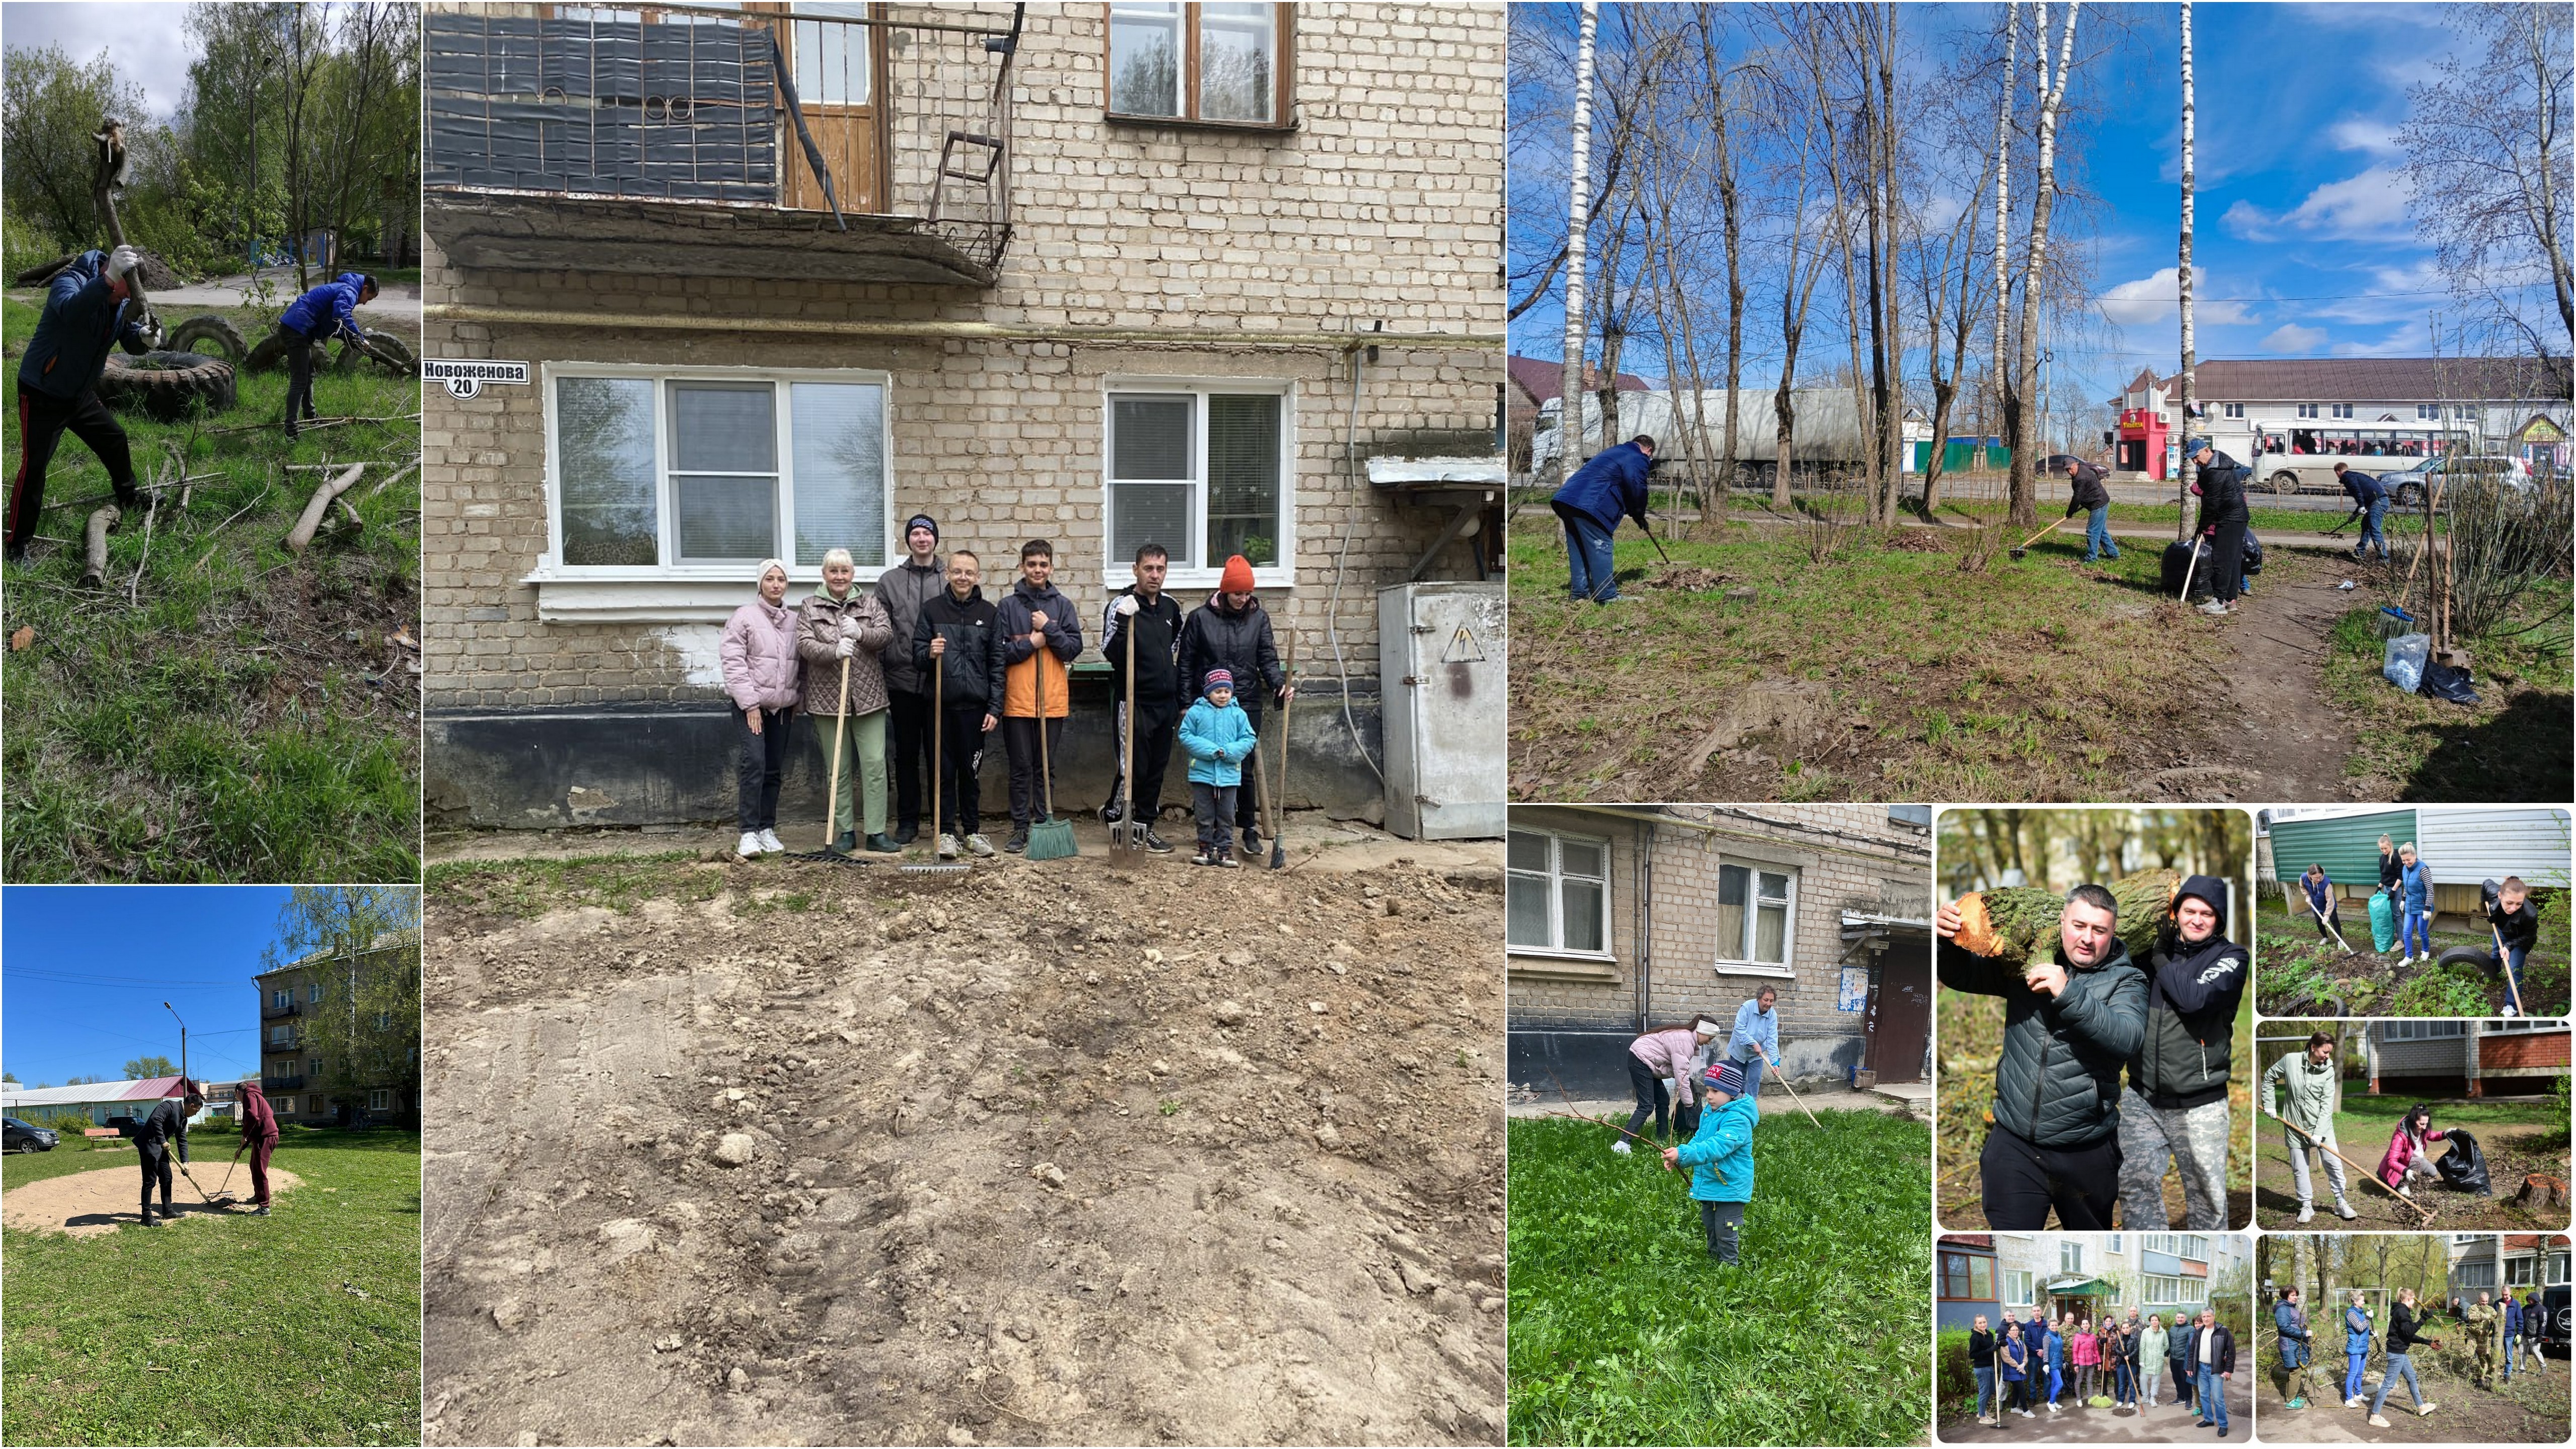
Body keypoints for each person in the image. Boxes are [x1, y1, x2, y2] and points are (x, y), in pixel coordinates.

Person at [1937, 883, 2148, 1229]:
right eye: (2079, 926)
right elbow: (1963, 974)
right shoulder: (2028, 958)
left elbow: (2127, 1039)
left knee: (2089, 1247)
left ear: (2113, 933)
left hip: (2086, 1149)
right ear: (2062, 920)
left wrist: (2068, 992)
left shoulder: (2127, 980)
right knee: (2010, 1248)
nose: (2087, 938)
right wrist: (1947, 941)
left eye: (2099, 930)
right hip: (2014, 1145)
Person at [6, 245, 158, 562]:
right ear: (112, 274)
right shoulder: (71, 280)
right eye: (124, 291)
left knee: (114, 438)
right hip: (43, 391)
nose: (126, 299)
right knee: (34, 468)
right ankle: (17, 545)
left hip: (79, 393)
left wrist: (145, 338)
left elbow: (125, 334)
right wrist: (107, 282)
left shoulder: (118, 298)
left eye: (132, 295)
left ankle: (128, 497)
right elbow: (73, 311)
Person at [2119, 874, 2246, 1232]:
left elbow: (2193, 1000)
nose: (2197, 919)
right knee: (2135, 1186)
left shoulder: (2232, 957)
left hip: (2200, 1103)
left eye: (2207, 913)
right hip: (2142, 1099)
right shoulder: (2146, 953)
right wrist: (2156, 952)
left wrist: (2160, 958)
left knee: (2207, 1198)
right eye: (2189, 910)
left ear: (2218, 920)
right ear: (2175, 913)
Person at [1176, 556, 1291, 852]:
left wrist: (1280, 684)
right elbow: (1186, 663)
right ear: (1225, 591)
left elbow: (1267, 657)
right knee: (1208, 764)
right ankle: (1211, 829)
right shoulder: (1200, 618)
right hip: (1207, 703)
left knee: (1243, 766)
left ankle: (1248, 829)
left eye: (1248, 593)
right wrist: (1186, 703)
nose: (1243, 599)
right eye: (1238, 593)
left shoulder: (1259, 618)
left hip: (1245, 702)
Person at [796, 548, 898, 856]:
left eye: (844, 571)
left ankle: (877, 832)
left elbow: (886, 635)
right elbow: (804, 644)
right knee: (837, 768)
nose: (839, 577)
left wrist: (861, 632)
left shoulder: (870, 603)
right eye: (833, 571)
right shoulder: (809, 607)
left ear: (853, 575)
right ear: (824, 575)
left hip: (869, 698)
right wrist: (833, 651)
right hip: (827, 700)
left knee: (874, 764)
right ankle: (845, 831)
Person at [912, 548, 1004, 860]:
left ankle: (973, 831)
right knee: (943, 771)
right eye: (957, 571)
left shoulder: (990, 614)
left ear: (977, 577)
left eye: (969, 572)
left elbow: (997, 664)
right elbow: (917, 656)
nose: (963, 577)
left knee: (971, 772)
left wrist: (995, 707)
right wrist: (930, 652)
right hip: (939, 707)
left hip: (975, 710)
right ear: (948, 574)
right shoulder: (932, 610)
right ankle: (946, 833)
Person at [995, 539, 1082, 853]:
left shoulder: (1062, 605)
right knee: (1020, 767)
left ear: (1051, 568)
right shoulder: (1007, 607)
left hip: (1052, 700)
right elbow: (999, 653)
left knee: (1046, 767)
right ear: (1022, 567)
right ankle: (1020, 827)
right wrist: (1031, 643)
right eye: (1032, 564)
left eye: (1043, 564)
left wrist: (1050, 630)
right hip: (1018, 699)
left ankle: (1045, 820)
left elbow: (1074, 648)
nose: (1037, 570)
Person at [1101, 542, 1184, 854]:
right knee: (1132, 767)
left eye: (1160, 569)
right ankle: (1116, 814)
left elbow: (1173, 647)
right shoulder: (1121, 605)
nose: (1155, 575)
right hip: (1133, 701)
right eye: (1148, 568)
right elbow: (1111, 652)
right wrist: (1124, 621)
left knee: (1157, 768)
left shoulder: (1171, 608)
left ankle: (1145, 827)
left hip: (1165, 702)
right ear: (1135, 569)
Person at [719, 559, 802, 860]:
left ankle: (767, 828)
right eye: (770, 579)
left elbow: (801, 664)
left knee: (774, 769)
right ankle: (748, 832)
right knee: (754, 762)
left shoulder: (794, 620)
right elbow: (733, 662)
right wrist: (750, 704)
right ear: (760, 584)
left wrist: (797, 699)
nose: (776, 584)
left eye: (781, 579)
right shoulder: (745, 617)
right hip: (750, 707)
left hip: (782, 709)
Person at [873, 514, 947, 845]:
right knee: (906, 755)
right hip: (902, 679)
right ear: (908, 541)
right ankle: (907, 821)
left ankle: (943, 822)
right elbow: (881, 631)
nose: (921, 539)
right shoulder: (889, 581)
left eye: (927, 533)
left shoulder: (950, 578)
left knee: (940, 754)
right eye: (915, 534)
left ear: (935, 540)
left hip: (942, 681)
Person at [1663, 1058, 1758, 1265]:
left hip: (1730, 1184)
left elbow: (1716, 1147)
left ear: (1732, 1091)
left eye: (1715, 1091)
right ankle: (1714, 1255)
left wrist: (1685, 1155)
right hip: (1713, 1182)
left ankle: (1729, 1264)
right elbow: (1700, 1139)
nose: (1709, 1096)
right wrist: (1680, 1154)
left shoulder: (1739, 1120)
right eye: (1707, 1090)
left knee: (1726, 1227)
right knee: (1709, 1222)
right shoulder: (1710, 1112)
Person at [274, 271, 384, 439]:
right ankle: (291, 430)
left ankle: (311, 416)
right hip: (297, 329)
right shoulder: (349, 291)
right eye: (368, 299)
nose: (364, 303)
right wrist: (359, 337)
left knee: (308, 375)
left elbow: (333, 324)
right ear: (365, 288)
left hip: (297, 327)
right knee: (299, 380)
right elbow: (341, 314)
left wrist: (353, 340)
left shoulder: (344, 288)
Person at [1550, 433, 1655, 603]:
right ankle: (1607, 595)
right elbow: (1636, 487)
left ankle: (1579, 594)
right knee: (1601, 543)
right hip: (1591, 503)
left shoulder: (1616, 452)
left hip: (1567, 500)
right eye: (1651, 457)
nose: (1649, 460)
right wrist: (1639, 514)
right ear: (1649, 450)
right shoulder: (1638, 457)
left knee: (1579, 548)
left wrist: (1636, 514)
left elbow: (1622, 483)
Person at [2265, 1030, 2356, 1222]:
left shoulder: (2329, 1070)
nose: (2327, 1056)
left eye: (2330, 1052)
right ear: (2313, 1047)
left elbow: (2326, 1105)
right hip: (2294, 1126)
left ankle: (2341, 1202)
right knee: (2300, 1169)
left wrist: (2319, 1133)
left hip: (2322, 1127)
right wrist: (2270, 1104)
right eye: (2325, 1052)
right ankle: (2306, 1206)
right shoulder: (2290, 1061)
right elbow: (2269, 1077)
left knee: (2334, 1165)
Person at [1178, 667, 1257, 868]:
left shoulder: (1238, 714)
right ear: (1208, 692)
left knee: (1227, 814)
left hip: (1229, 773)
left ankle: (1225, 850)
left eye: (1227, 691)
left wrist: (1229, 752)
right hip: (1202, 773)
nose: (1223, 696)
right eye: (1218, 691)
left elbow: (1249, 738)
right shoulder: (1196, 712)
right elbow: (1185, 735)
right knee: (1204, 814)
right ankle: (1205, 848)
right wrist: (1212, 750)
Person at [1617, 1018, 1722, 1153]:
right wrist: (1689, 1107)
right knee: (1646, 1106)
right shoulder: (1685, 1041)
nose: (1709, 1042)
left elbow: (1674, 1070)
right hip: (1641, 1060)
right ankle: (1622, 1144)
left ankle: (1662, 1138)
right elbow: (1681, 1078)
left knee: (1663, 1100)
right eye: (1710, 1038)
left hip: (1643, 1060)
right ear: (1703, 1032)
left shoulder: (1686, 1037)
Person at [2183, 437, 2251, 616]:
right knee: (2234, 560)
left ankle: (2219, 602)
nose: (2195, 462)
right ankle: (2230, 600)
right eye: (2192, 459)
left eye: (2196, 457)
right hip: (2237, 517)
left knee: (2221, 559)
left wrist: (2201, 528)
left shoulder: (2216, 472)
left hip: (2230, 518)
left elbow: (2211, 506)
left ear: (2207, 451)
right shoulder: (2219, 463)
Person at [133, 1079, 201, 1227]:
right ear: (191, 1106)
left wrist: (186, 1162)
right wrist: (163, 1141)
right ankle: (146, 1216)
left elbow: (182, 1141)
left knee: (167, 1177)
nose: (196, 1114)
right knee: (150, 1181)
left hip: (161, 1147)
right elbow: (155, 1120)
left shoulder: (183, 1120)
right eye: (197, 1111)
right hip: (149, 1144)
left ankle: (168, 1210)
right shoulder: (169, 1106)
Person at [2367, 1286, 2437, 1426]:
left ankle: (2421, 1406)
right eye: (2413, 1301)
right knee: (2388, 1385)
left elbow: (2407, 1335)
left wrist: (2427, 1342)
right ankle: (2375, 1416)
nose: (2414, 1304)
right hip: (2396, 1353)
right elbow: (2408, 1332)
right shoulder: (2403, 1312)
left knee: (2412, 1377)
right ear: (2409, 1299)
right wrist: (2423, 1319)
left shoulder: (2401, 1311)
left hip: (2400, 1352)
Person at [2482, 875, 2542, 1013]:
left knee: (2515, 970)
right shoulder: (2493, 892)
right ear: (2500, 895)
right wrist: (2483, 900)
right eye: (2509, 903)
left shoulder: (2530, 914)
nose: (2514, 908)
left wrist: (2509, 946)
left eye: (2519, 904)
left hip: (2520, 940)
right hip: (2502, 930)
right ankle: (2494, 973)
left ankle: (2512, 1006)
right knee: (2496, 953)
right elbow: (2486, 884)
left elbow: (2529, 936)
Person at [2377, 1103, 2449, 1197]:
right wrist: (2406, 1172)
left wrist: (2446, 1133)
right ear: (2413, 1121)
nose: (2424, 1127)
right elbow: (2391, 1161)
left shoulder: (2423, 1131)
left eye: (2427, 1124)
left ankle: (2411, 1183)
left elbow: (2433, 1136)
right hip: (2391, 1173)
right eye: (2422, 1124)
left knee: (2433, 1172)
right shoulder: (2401, 1136)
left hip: (2411, 1164)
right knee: (2421, 1162)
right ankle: (2403, 1186)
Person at [1725, 985, 1782, 1103]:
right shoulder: (1747, 1008)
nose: (1769, 1003)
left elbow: (1772, 1039)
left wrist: (1775, 1062)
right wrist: (1753, 1043)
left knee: (1754, 1081)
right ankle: (1736, 1105)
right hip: (1739, 1051)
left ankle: (1750, 1106)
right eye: (1766, 1000)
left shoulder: (1772, 1015)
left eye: (1771, 1001)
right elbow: (1739, 1029)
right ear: (1759, 999)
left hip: (1757, 1055)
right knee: (1737, 1080)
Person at [231, 1075, 279, 1217]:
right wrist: (242, 1147)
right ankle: (259, 1196)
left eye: (235, 1096)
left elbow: (252, 1117)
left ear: (238, 1092)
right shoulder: (256, 1096)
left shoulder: (249, 1095)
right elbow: (255, 1124)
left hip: (266, 1137)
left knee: (259, 1171)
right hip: (262, 1137)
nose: (237, 1099)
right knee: (254, 1166)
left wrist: (244, 1134)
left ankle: (264, 1208)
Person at [2062, 453, 2119, 563]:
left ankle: (2091, 558)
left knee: (2092, 531)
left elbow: (2077, 498)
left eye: (2070, 469)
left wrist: (2070, 513)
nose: (2069, 472)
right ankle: (2114, 554)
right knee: (2101, 531)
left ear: (2076, 465)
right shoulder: (2082, 470)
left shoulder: (2081, 478)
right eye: (2067, 470)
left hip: (2098, 504)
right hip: (2101, 501)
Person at [2190, 1307, 2235, 1436]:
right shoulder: (2199, 1332)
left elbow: (2231, 1352)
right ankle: (2209, 1419)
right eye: (2204, 1317)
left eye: (2208, 1316)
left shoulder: (2223, 1331)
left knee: (2218, 1398)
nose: (2206, 1319)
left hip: (2216, 1370)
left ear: (2214, 1317)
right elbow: (2192, 1351)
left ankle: (2223, 1425)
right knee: (2204, 1395)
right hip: (2201, 1368)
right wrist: (2190, 1368)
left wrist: (2228, 1370)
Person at [2331, 462, 2389, 562]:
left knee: (2374, 529)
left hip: (2378, 501)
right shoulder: (2353, 476)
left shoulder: (2348, 477)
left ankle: (2384, 559)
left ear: (2338, 472)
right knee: (2366, 525)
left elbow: (2358, 492)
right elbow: (2363, 496)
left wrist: (2362, 506)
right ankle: (2360, 552)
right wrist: (2355, 514)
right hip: (2376, 501)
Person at [2396, 842, 2434, 965]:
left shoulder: (2423, 870)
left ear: (2415, 856)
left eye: (2409, 860)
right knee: (2406, 932)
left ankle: (2426, 950)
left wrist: (2427, 908)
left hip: (2423, 907)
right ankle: (2409, 957)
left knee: (2422, 931)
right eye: (2404, 860)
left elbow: (2430, 890)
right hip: (2410, 906)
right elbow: (2407, 886)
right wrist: (2403, 899)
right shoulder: (2405, 869)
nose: (2406, 862)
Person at [2277, 1286, 2313, 1410]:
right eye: (2292, 1295)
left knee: (2296, 1370)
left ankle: (2293, 1397)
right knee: (2295, 1371)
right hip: (2289, 1344)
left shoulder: (2291, 1308)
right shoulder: (2283, 1309)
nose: (2295, 1297)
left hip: (2296, 1344)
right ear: (2286, 1295)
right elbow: (2284, 1327)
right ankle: (2291, 1400)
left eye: (2296, 1295)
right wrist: (2303, 1334)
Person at [2342, 1291, 2374, 1408]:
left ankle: (2358, 1394)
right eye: (2362, 1300)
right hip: (2355, 1348)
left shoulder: (2360, 1313)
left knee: (2360, 1373)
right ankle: (2348, 1399)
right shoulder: (2351, 1313)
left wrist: (2371, 1333)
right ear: (2355, 1301)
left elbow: (2364, 1330)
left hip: (2363, 1347)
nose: (2364, 1302)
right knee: (2353, 1374)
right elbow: (2360, 1328)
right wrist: (2368, 1317)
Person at [2300, 864, 2345, 946]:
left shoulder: (2326, 883)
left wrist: (2327, 915)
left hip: (2329, 904)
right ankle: (2325, 937)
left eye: (2320, 877)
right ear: (2310, 876)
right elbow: (2302, 887)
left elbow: (2330, 901)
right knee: (2319, 922)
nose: (2319, 879)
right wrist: (2307, 896)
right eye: (2316, 878)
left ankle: (2340, 941)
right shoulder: (2304, 878)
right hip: (2315, 903)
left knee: (2334, 921)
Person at [1970, 1314, 1999, 1425]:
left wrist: (1997, 1346)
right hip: (1981, 1368)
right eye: (1980, 1323)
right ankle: (1982, 1417)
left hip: (1989, 1366)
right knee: (1984, 1392)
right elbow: (1973, 1355)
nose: (1983, 1325)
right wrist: (1989, 1350)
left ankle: (1982, 1411)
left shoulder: (1989, 1334)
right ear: (1976, 1324)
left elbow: (1993, 1347)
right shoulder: (1975, 1338)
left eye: (1984, 1322)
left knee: (1991, 1389)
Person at [2466, 1291, 2500, 1388]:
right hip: (2473, 1336)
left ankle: (2481, 1378)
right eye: (2483, 1301)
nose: (2485, 1303)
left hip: (2483, 1338)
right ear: (2479, 1300)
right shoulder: (2473, 1308)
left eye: (2486, 1301)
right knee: (2468, 1355)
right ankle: (2466, 1369)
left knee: (2483, 1358)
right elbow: (2470, 1318)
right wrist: (2482, 1317)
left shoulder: (2490, 1309)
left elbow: (2497, 1317)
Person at [2001, 1321, 2033, 1418]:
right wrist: (2018, 1366)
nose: (2015, 1332)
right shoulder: (2006, 1343)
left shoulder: (2020, 1342)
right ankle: (2026, 1411)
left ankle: (2014, 1408)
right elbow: (2006, 1357)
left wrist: (2023, 1364)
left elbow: (2025, 1355)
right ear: (2009, 1331)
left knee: (2016, 1389)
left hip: (2020, 1369)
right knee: (2022, 1389)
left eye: (2017, 1330)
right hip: (2012, 1371)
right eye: (2013, 1330)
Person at [2140, 1314, 2170, 1410]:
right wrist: (2142, 1360)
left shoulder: (2163, 1332)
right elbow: (2142, 1347)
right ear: (2150, 1322)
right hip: (2147, 1360)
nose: (2154, 1322)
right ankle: (2145, 1396)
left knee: (2156, 1380)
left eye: (2156, 1320)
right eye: (2152, 1320)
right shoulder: (2145, 1332)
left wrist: (2160, 1353)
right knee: (2143, 1379)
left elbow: (2166, 1345)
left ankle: (2152, 1397)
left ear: (2159, 1322)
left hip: (2158, 1360)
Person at [2501, 1289, 2523, 1382]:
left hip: (2509, 1333)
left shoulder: (2515, 1304)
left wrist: (2519, 1333)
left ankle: (2507, 1375)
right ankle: (2492, 1373)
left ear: (2510, 1293)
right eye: (2503, 1295)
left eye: (2506, 1294)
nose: (2505, 1297)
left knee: (2509, 1356)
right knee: (2495, 1354)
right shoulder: (2498, 1303)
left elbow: (2520, 1319)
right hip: (2498, 1333)